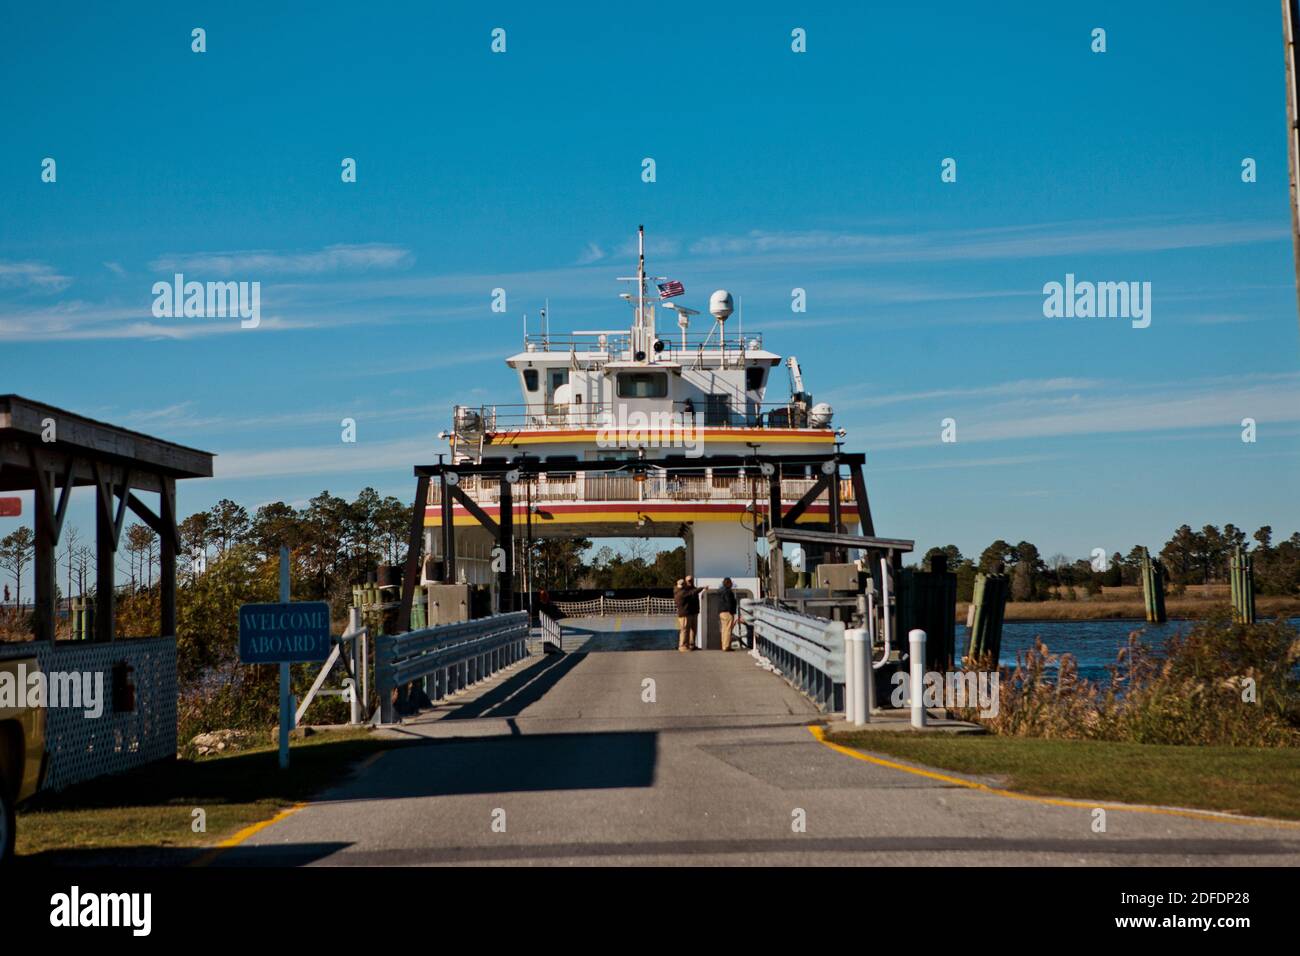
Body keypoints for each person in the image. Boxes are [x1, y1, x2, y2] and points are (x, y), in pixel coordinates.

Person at [673, 576, 703, 652]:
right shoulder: (683, 592)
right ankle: (683, 646)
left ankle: (691, 645)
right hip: (685, 613)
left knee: (692, 630)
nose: (690, 582)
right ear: (685, 583)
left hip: (692, 612)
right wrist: (702, 588)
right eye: (688, 581)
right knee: (685, 630)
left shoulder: (684, 590)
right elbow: (692, 593)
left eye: (691, 580)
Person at [718, 577, 738, 651]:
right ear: (728, 583)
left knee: (724, 629)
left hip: (721, 612)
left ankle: (724, 645)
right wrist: (732, 611)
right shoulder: (728, 592)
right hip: (727, 612)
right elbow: (729, 602)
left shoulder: (721, 591)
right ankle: (726, 646)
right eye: (731, 583)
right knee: (728, 629)